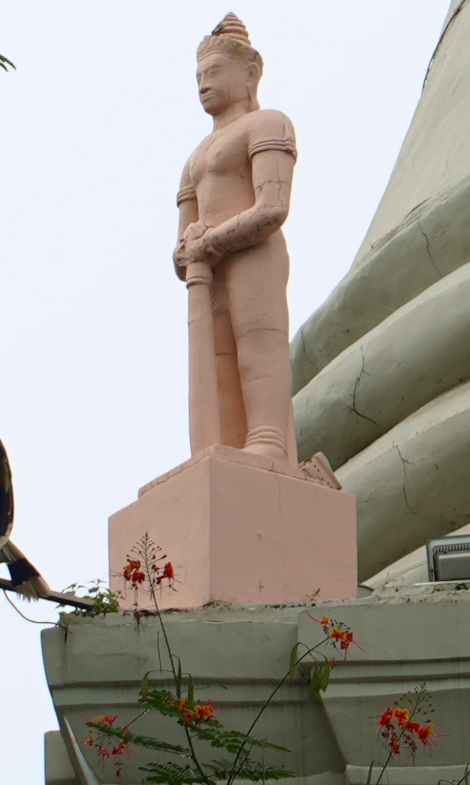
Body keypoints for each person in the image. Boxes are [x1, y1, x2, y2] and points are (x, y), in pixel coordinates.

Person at [173, 13, 298, 464]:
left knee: (256, 346)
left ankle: (268, 437)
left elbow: (272, 208)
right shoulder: (194, 160)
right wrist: (189, 250)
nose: (203, 84)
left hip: (252, 255)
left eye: (213, 72)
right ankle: (222, 444)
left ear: (249, 73)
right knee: (217, 360)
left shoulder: (267, 124)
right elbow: (181, 248)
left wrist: (211, 242)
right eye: (198, 77)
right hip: (209, 270)